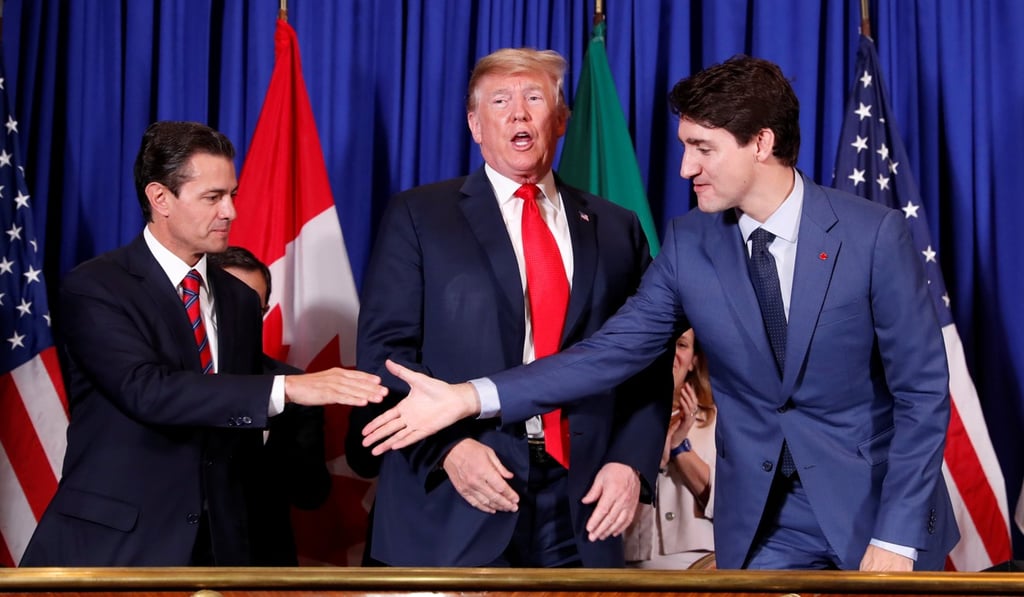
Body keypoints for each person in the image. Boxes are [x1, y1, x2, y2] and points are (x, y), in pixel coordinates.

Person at [362, 55, 961, 571]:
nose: (684, 169)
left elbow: (923, 392)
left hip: (877, 510)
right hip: (762, 526)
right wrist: (471, 397)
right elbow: (609, 353)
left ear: (761, 143)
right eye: (684, 147)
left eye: (703, 149)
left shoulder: (873, 235)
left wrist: (895, 534)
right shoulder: (689, 243)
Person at [348, 48, 671, 567]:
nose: (518, 113)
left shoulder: (617, 227)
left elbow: (647, 360)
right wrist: (447, 449)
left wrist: (630, 463)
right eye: (500, 100)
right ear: (476, 125)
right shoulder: (420, 216)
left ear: (561, 119)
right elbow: (385, 356)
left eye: (535, 97)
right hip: (456, 495)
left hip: (581, 503)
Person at [20, 121, 386, 567]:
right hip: (117, 549)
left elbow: (235, 428)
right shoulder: (97, 287)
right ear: (160, 199)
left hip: (219, 552)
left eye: (232, 194)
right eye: (213, 198)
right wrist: (288, 389)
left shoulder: (238, 300)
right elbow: (147, 390)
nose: (230, 211)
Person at [209, 246, 331, 566]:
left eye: (251, 306)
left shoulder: (297, 388)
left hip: (258, 560)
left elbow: (311, 493)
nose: (238, 316)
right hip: (170, 561)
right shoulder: (163, 378)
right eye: (228, 302)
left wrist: (264, 422)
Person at [624, 328, 716, 569]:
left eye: (682, 345)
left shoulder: (719, 421)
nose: (671, 353)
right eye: (664, 343)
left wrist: (679, 447)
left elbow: (730, 501)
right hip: (633, 565)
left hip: (701, 565)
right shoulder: (624, 420)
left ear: (694, 361)